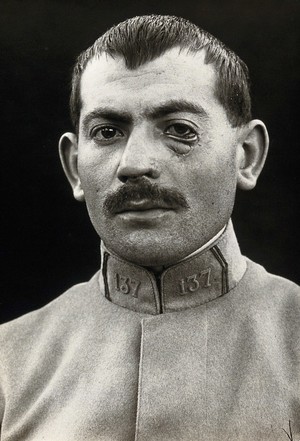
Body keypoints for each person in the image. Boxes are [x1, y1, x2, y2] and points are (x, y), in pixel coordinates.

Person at [0, 14, 299, 441]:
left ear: (246, 155)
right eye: (107, 132)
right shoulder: (7, 366)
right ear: (74, 169)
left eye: (180, 130)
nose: (135, 164)